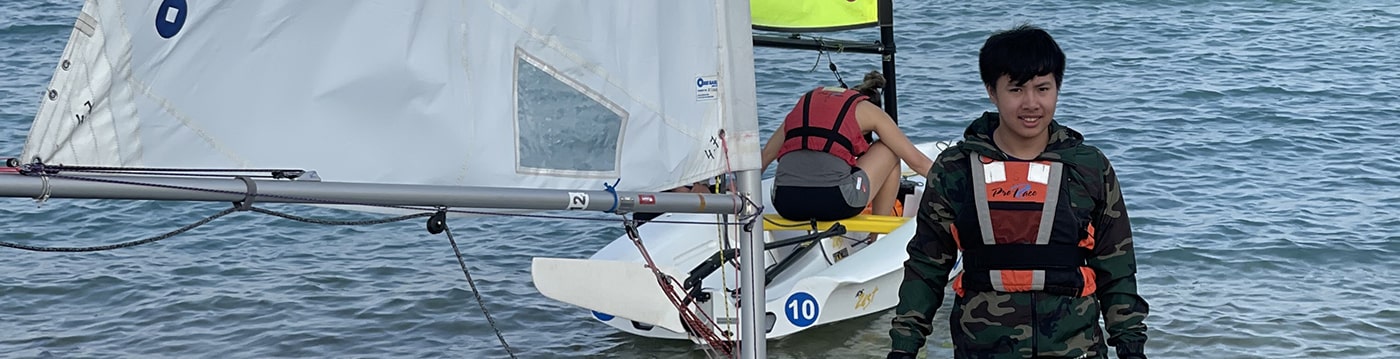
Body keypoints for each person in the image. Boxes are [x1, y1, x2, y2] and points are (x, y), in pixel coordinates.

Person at [887, 25, 1149, 358]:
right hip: (981, 349)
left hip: (1076, 349)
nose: (1031, 103)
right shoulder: (955, 170)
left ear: (1058, 88)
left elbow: (1118, 270)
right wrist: (903, 349)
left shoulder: (1090, 168)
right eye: (1016, 89)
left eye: (1043, 88)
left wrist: (1131, 348)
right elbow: (926, 269)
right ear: (991, 91)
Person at [760, 71, 933, 222]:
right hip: (836, 202)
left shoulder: (805, 104)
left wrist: (736, 189)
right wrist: (955, 183)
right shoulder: (870, 111)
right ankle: (877, 239)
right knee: (890, 149)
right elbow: (918, 162)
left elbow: (765, 156)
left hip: (785, 202)